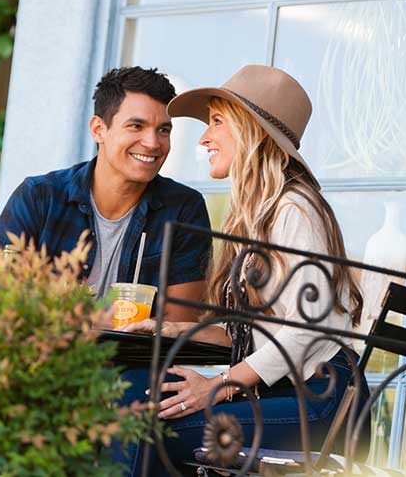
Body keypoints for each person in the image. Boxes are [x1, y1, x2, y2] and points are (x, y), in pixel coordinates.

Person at [115, 65, 368, 475]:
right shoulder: (259, 215)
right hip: (284, 390)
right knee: (134, 395)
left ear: (252, 130)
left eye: (217, 121)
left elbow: (307, 330)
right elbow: (253, 332)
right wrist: (172, 329)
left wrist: (219, 385)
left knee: (152, 431)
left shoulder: (295, 208)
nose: (203, 137)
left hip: (322, 398)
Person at [0, 67, 211, 322]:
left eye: (163, 130)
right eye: (136, 126)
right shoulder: (40, 197)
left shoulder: (184, 209)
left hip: (136, 362)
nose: (152, 143)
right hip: (45, 358)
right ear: (99, 129)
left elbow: (179, 325)